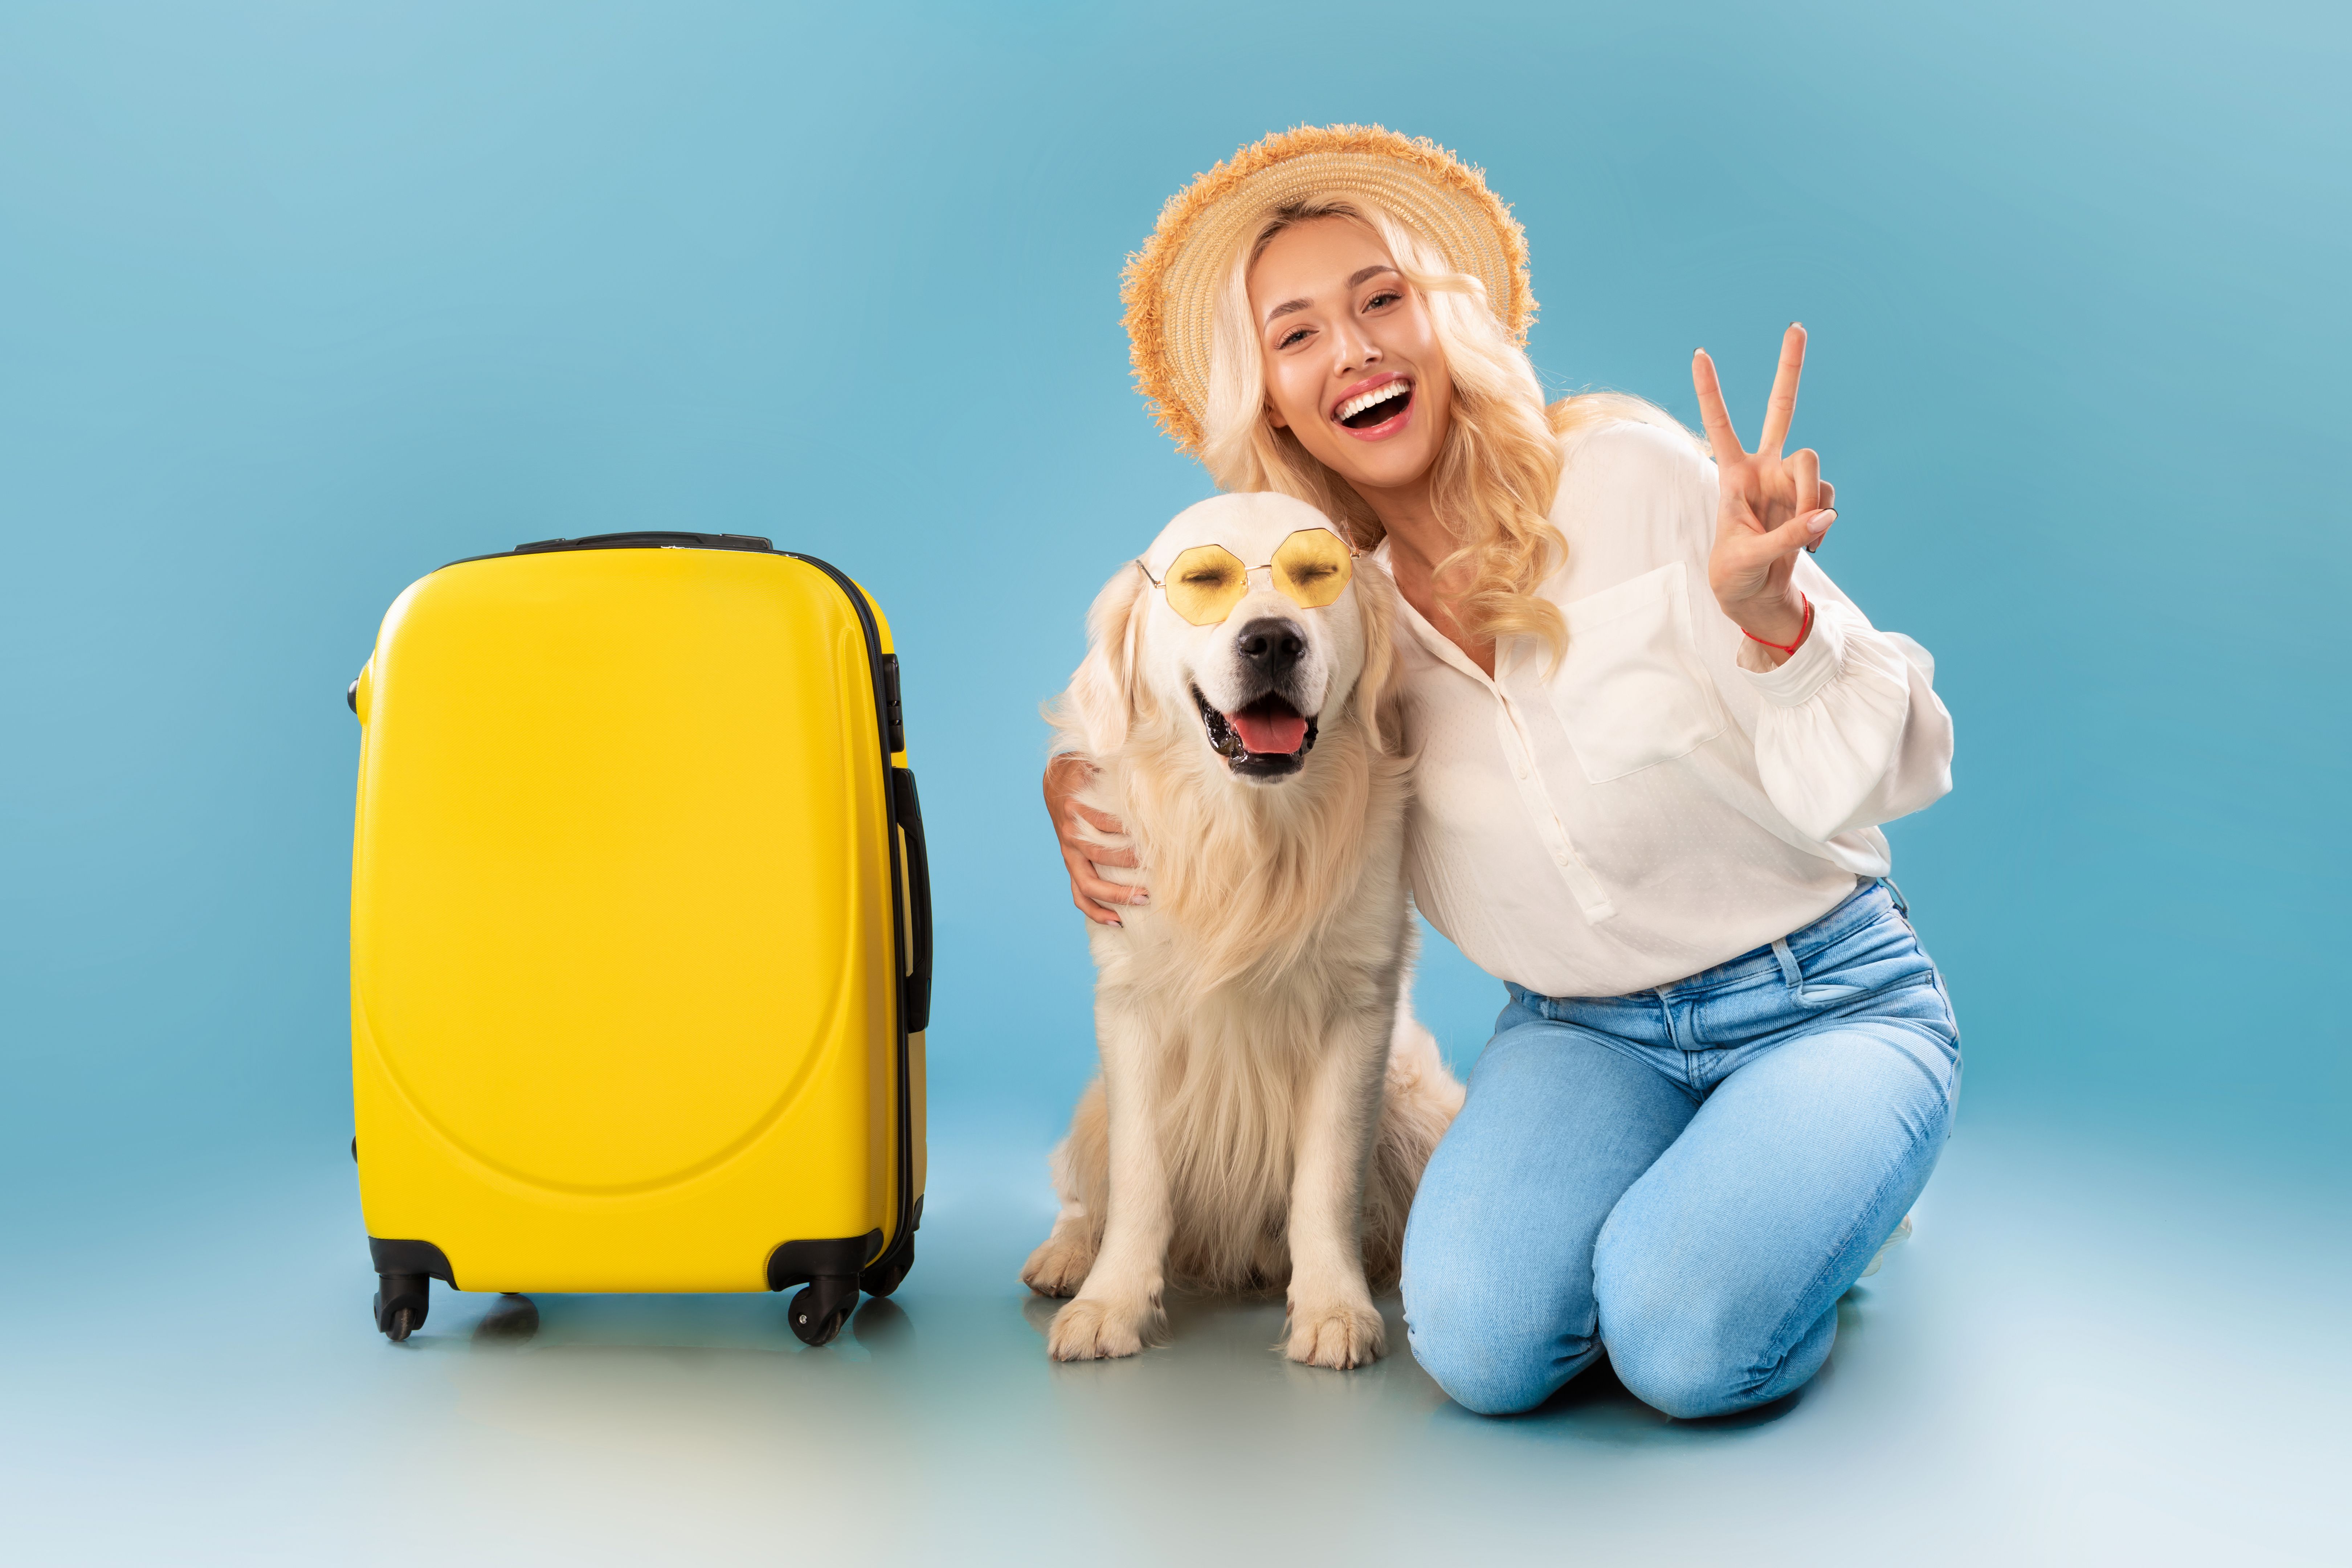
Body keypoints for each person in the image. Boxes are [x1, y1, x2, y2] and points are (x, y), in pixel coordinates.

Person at [1045, 125, 1957, 1419]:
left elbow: (1911, 755)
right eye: (1297, 333)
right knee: (1475, 1347)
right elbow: (1191, 737)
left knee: (1683, 1346)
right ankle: (1732, 1204)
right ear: (1272, 396)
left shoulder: (1632, 477)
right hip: (1584, 1038)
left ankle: (1824, 1195)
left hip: (1824, 998)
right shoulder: (1338, 630)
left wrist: (1780, 627)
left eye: (1383, 300)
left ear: (1448, 322)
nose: (1354, 350)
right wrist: (1074, 784)